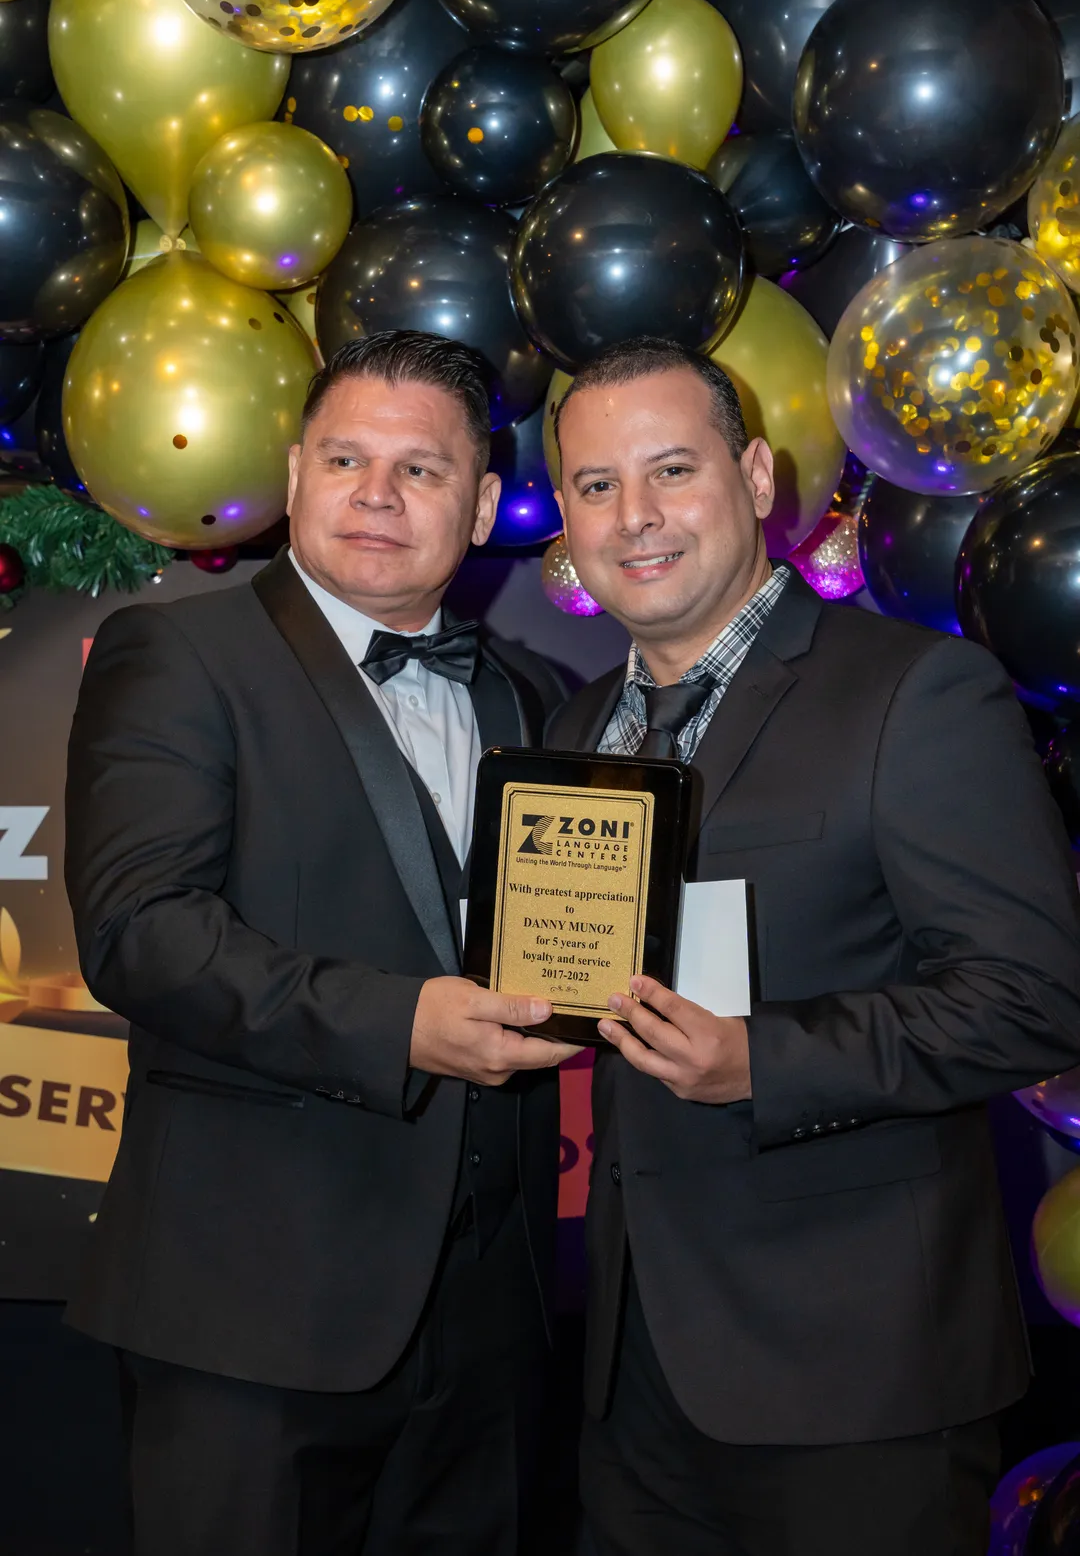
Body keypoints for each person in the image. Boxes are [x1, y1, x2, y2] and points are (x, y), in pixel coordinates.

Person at [546, 335, 1080, 1556]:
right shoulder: (578, 733)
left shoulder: (916, 693)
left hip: (857, 1377)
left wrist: (762, 1061)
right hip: (631, 1379)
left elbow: (1036, 999)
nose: (635, 517)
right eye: (594, 485)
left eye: (672, 470)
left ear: (754, 475)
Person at [63, 330, 577, 1556]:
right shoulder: (180, 657)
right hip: (250, 1309)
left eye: (422, 469)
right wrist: (399, 1022)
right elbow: (142, 931)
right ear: (295, 473)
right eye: (346, 458)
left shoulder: (529, 695)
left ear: (485, 503)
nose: (377, 495)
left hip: (491, 1318)